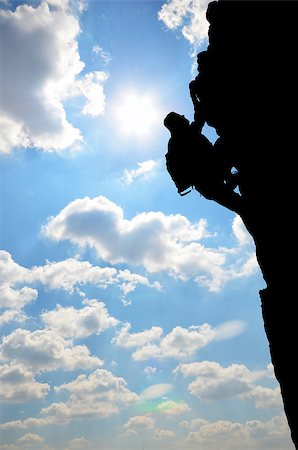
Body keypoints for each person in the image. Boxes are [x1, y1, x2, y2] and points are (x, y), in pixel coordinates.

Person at [164, 83, 245, 214]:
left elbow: (199, 116)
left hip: (208, 184)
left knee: (241, 207)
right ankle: (232, 178)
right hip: (210, 179)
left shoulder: (178, 140)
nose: (184, 117)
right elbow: (199, 116)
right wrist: (193, 96)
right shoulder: (185, 137)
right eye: (181, 117)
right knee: (242, 207)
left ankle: (231, 178)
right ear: (177, 124)